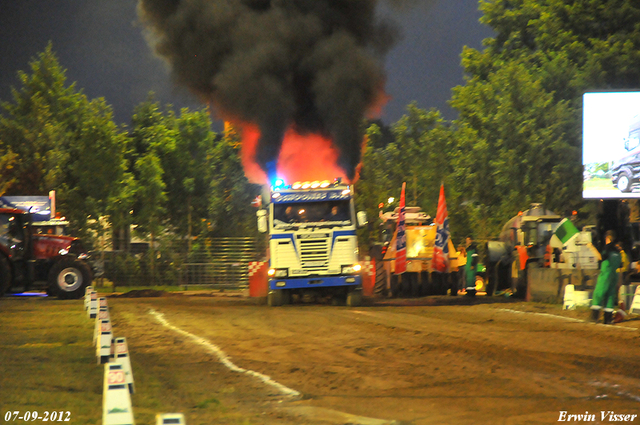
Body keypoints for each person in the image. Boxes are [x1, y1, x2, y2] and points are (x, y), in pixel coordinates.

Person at [590, 230, 622, 324]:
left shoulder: (608, 247)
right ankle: (607, 319)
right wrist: (619, 282)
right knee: (610, 297)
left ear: (607, 238)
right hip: (614, 276)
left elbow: (601, 257)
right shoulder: (618, 251)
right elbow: (620, 267)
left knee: (598, 294)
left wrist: (591, 247)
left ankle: (594, 318)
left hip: (606, 275)